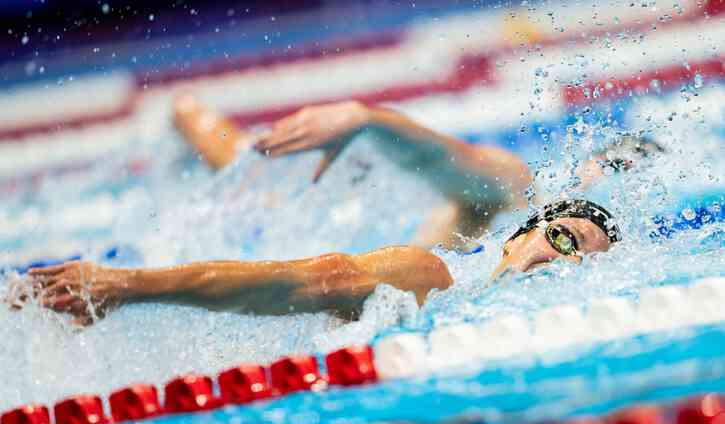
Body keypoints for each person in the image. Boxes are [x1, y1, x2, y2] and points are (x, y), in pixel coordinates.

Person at [28, 199, 620, 326]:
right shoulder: (429, 275)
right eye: (563, 239)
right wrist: (126, 285)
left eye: (583, 262)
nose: (562, 264)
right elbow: (300, 282)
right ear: (513, 239)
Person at [174, 95, 532, 249]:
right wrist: (364, 118)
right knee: (244, 162)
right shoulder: (512, 182)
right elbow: (437, 156)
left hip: (332, 221)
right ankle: (185, 109)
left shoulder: (509, 207)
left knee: (256, 179)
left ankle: (184, 110)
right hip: (328, 209)